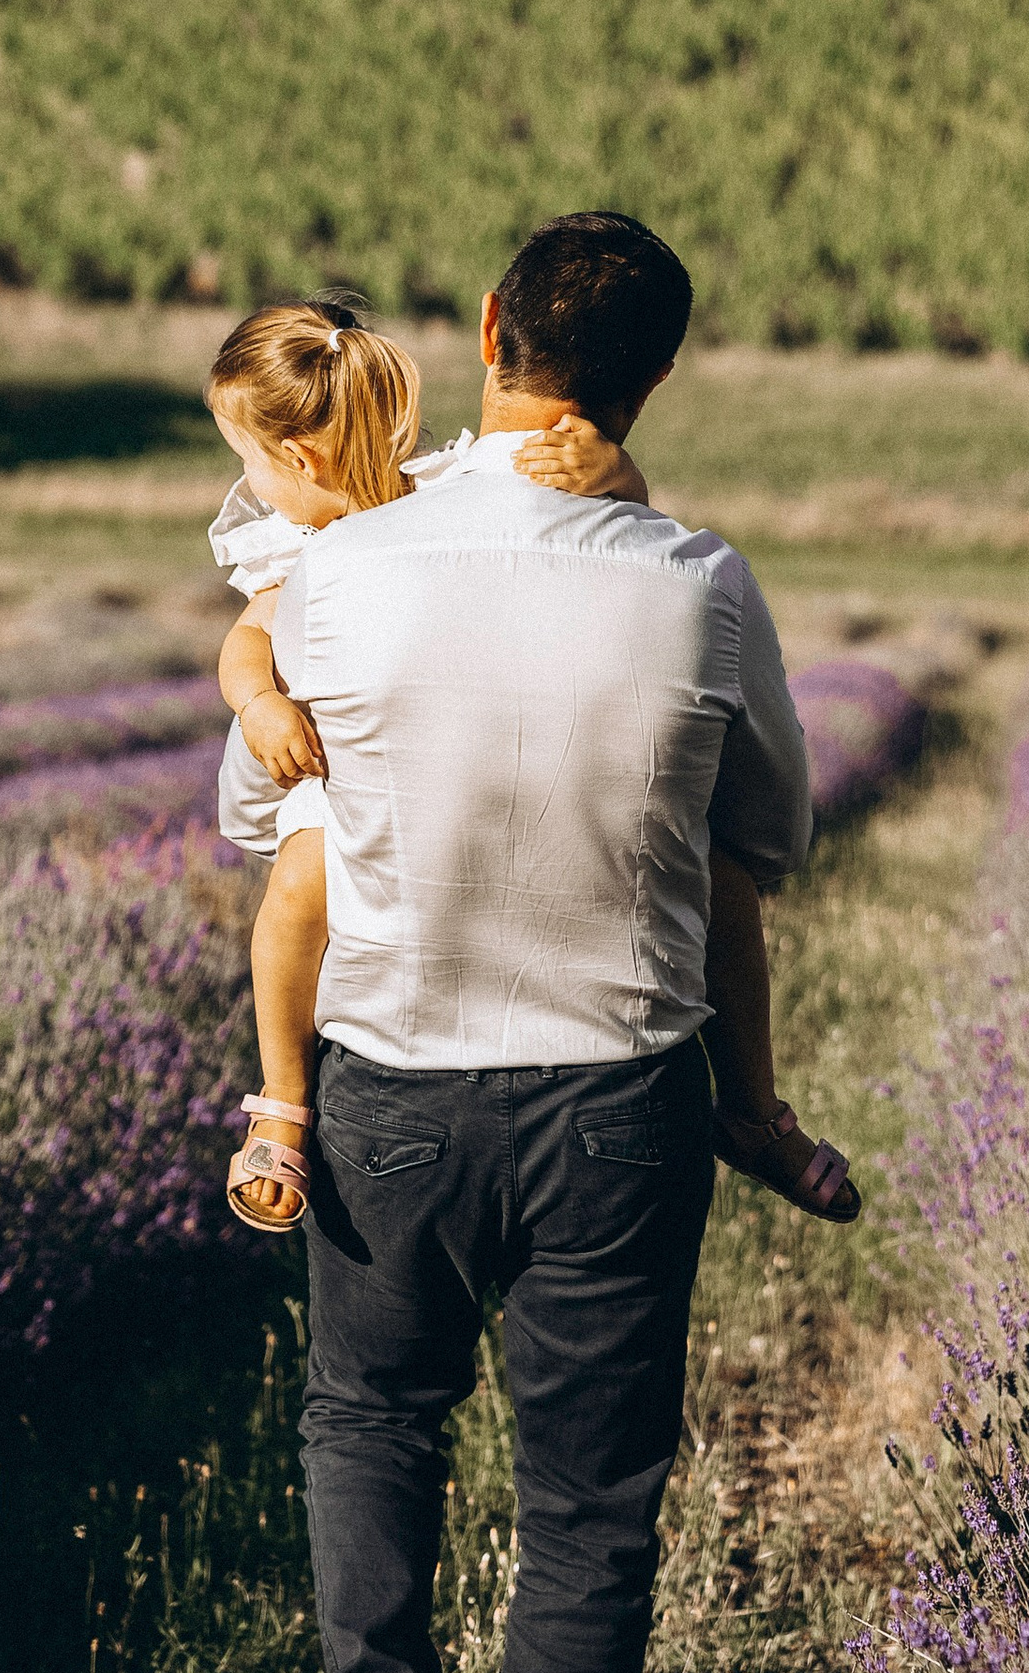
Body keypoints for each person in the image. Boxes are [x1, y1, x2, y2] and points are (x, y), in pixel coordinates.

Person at [222, 215, 818, 1673]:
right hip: (617, 1107)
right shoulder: (700, 581)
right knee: (587, 1517)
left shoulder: (345, 574)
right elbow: (756, 848)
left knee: (371, 1418)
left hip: (394, 1087)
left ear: (488, 331)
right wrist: (755, 1104)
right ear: (653, 378)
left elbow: (275, 831)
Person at [204, 296, 858, 1240]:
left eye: (250, 464)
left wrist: (623, 485)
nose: (248, 487)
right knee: (305, 879)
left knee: (373, 1393)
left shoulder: (427, 501)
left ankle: (753, 1111)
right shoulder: (304, 557)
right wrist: (261, 702)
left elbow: (240, 809)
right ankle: (281, 1098)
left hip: (411, 1059)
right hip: (611, 1057)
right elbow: (247, 651)